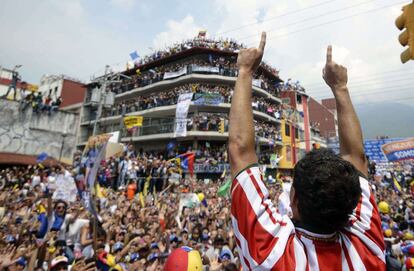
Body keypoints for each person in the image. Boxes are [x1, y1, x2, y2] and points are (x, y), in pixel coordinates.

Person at [228, 32, 385, 270]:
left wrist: (244, 71)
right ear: (353, 205)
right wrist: (340, 88)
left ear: (295, 200)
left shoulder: (272, 255)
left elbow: (240, 149)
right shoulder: (368, 247)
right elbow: (356, 157)